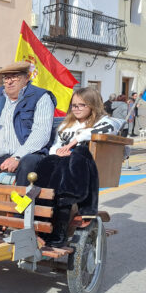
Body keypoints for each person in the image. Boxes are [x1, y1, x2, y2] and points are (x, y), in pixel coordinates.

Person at [37, 87, 122, 246]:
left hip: (82, 168)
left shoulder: (103, 121)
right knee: (44, 166)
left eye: (81, 105)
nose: (76, 109)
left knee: (78, 153)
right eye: (74, 105)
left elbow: (114, 126)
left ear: (92, 105)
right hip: (61, 163)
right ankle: (40, 227)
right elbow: (56, 146)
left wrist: (76, 140)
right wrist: (59, 152)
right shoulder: (66, 124)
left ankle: (59, 232)